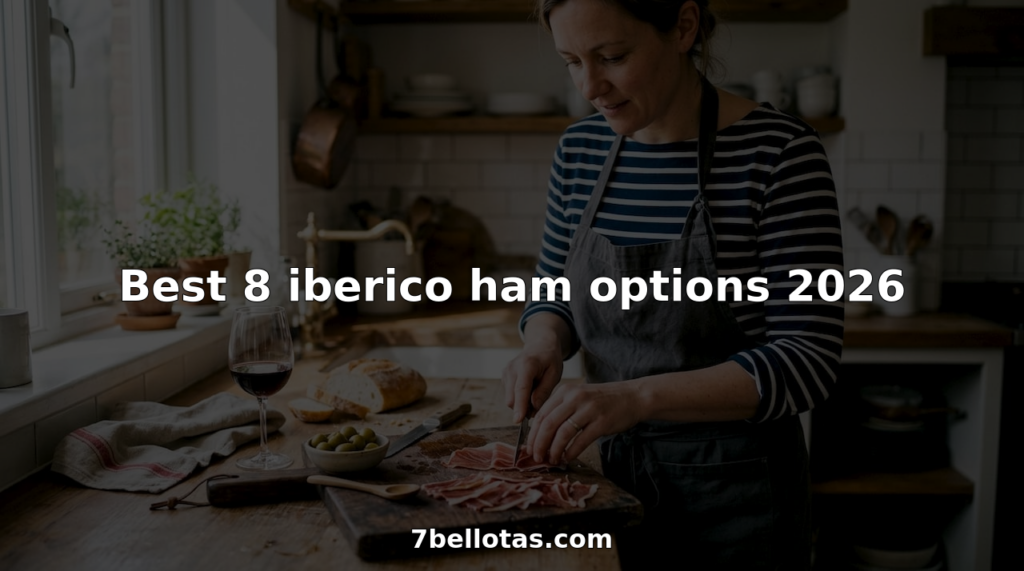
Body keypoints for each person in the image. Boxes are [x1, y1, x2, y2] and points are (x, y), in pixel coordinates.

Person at [501, 0, 845, 568]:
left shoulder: (780, 154)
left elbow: (808, 360)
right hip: (600, 475)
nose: (590, 86)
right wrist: (542, 343)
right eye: (571, 61)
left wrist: (636, 398)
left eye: (612, 56)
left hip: (739, 498)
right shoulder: (579, 152)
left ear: (684, 27)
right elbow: (554, 291)